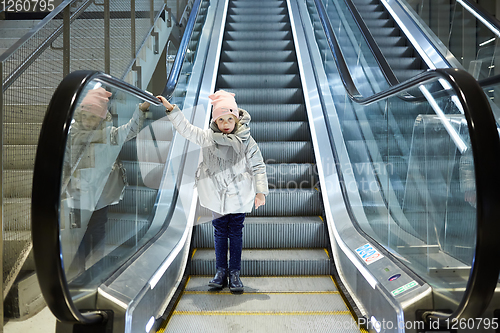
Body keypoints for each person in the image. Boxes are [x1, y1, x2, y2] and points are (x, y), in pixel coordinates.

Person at [150, 90, 268, 292]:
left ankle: (235, 273)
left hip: (239, 195)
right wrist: (172, 110)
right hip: (217, 196)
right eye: (221, 120)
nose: (225, 124)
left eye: (229, 119)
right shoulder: (208, 137)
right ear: (215, 121)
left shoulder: (247, 141)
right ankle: (221, 271)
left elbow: (258, 165)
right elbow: (186, 130)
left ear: (237, 118)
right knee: (221, 232)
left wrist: (260, 192)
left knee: (236, 233)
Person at [65, 86, 147, 279]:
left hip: (99, 194)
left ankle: (97, 267)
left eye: (93, 117)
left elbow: (130, 131)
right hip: (78, 193)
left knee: (98, 228)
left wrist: (141, 110)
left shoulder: (109, 136)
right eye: (85, 116)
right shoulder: (72, 137)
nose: (88, 121)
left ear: (102, 118)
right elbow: (66, 163)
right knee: (79, 234)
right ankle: (78, 270)